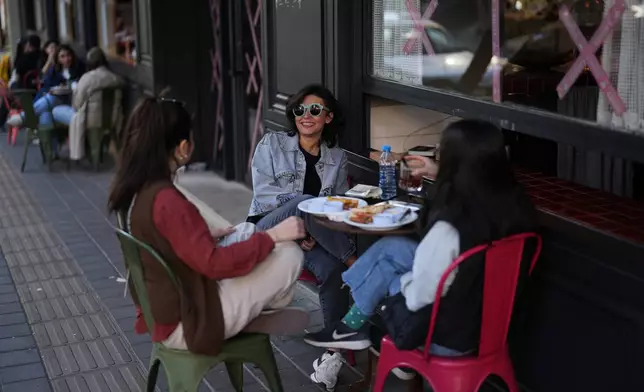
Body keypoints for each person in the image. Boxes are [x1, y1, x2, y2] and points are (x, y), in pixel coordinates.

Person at [302, 120, 537, 390]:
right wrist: (439, 171)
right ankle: (350, 325)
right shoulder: (514, 205)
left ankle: (359, 328)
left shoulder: (451, 225)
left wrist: (399, 283)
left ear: (454, 164)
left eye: (440, 154)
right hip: (493, 327)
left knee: (391, 277)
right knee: (393, 249)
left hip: (447, 336)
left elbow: (419, 296)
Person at [107, 97, 307, 355]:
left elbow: (168, 240)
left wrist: (198, 235)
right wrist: (274, 235)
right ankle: (253, 314)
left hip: (180, 301)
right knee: (290, 253)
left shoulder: (142, 189)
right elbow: (213, 264)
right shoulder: (167, 199)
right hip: (191, 321)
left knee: (245, 231)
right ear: (182, 148)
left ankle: (254, 309)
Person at [248, 84, 355, 331]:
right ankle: (354, 263)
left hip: (310, 238)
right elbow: (264, 195)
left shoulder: (337, 158)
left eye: (314, 110)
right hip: (268, 232)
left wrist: (313, 233)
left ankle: (335, 343)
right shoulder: (271, 143)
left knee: (332, 269)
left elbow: (336, 208)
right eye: (300, 109)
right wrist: (307, 221)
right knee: (303, 201)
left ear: (328, 117)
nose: (306, 116)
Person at [51, 47, 123, 161]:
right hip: (113, 118)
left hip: (89, 120)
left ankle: (57, 147)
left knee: (55, 111)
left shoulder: (87, 79)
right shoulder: (116, 78)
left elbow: (76, 105)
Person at [6, 44, 85, 129]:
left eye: (68, 55)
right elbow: (46, 85)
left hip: (72, 101)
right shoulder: (55, 71)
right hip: (57, 102)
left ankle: (25, 117)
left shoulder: (78, 68)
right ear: (58, 59)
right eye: (62, 56)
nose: (66, 59)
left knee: (51, 100)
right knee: (46, 112)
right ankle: (47, 141)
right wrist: (56, 89)